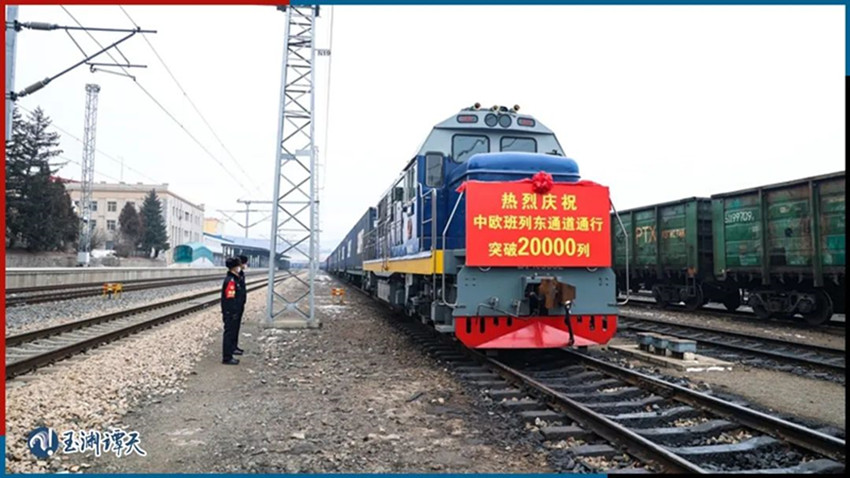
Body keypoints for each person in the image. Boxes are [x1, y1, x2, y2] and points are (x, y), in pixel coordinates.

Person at [221, 257, 245, 365]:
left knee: (233, 331)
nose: (240, 267)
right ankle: (227, 357)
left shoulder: (236, 279)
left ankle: (231, 352)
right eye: (239, 265)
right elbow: (230, 298)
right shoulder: (231, 281)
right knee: (229, 333)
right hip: (231, 312)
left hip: (235, 311)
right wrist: (233, 312)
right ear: (235, 267)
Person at [233, 255, 249, 355]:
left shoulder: (241, 274)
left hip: (239, 305)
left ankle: (235, 346)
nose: (245, 265)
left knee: (236, 327)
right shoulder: (234, 277)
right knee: (232, 329)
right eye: (244, 263)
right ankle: (230, 349)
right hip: (235, 306)